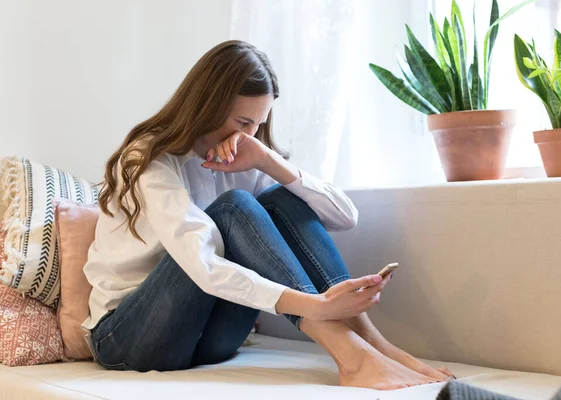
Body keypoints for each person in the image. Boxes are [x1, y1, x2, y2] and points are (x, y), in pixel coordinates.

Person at [82, 40, 452, 390]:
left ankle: (374, 342)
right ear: (207, 107)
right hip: (128, 337)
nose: (251, 133)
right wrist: (317, 306)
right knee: (235, 208)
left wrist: (268, 161)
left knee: (280, 199)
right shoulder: (150, 158)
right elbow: (203, 265)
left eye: (259, 122)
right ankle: (350, 355)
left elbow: (344, 218)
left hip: (206, 339)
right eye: (243, 123)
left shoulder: (245, 153)